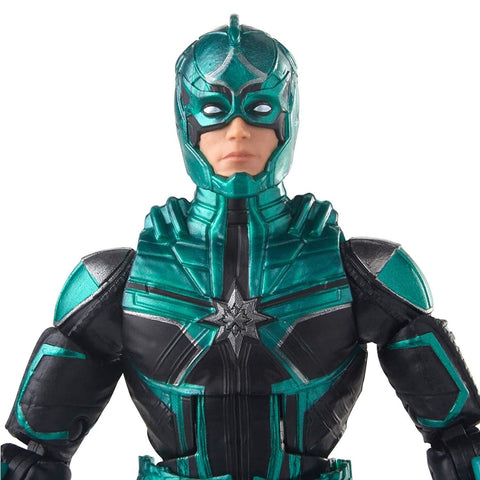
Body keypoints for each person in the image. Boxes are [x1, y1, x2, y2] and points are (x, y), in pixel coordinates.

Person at [1, 15, 480, 480]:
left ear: (288, 117)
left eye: (260, 110)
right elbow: (35, 456)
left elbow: (460, 444)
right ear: (186, 121)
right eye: (214, 111)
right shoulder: (121, 281)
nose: (237, 132)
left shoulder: (357, 270)